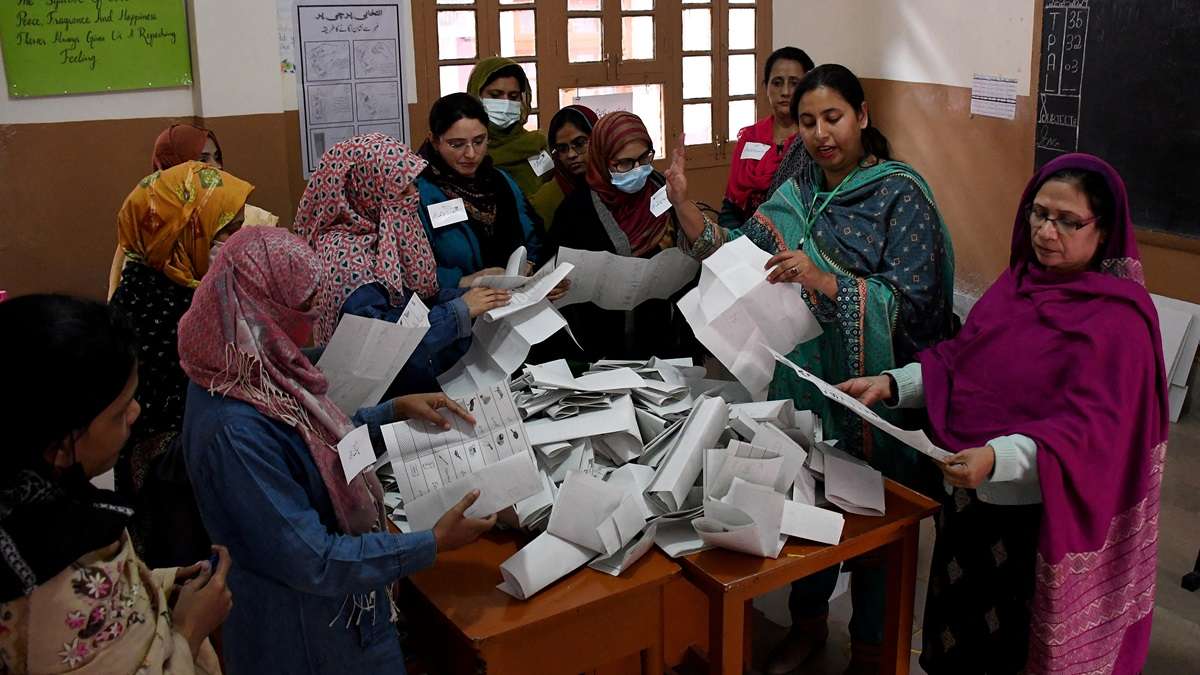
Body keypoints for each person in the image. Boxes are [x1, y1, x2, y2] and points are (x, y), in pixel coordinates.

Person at [665, 64, 955, 673]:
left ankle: (874, 649)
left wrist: (825, 280)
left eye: (834, 117)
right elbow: (739, 250)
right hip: (810, 388)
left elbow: (920, 306)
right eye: (808, 121)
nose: (822, 134)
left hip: (876, 396)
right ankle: (809, 626)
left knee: (878, 522)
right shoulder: (798, 193)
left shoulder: (900, 195)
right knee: (810, 506)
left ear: (863, 116)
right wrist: (683, 204)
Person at [837, 154, 1168, 675]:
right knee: (955, 636)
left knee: (1005, 651)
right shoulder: (1015, 288)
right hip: (967, 498)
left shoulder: (1119, 322)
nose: (1045, 231)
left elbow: (1092, 434)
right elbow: (960, 361)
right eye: (1038, 213)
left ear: (1102, 232)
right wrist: (892, 383)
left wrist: (999, 457)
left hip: (1034, 519)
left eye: (1067, 220)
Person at [179, 227, 497, 674]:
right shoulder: (234, 428)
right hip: (308, 637)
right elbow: (315, 560)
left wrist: (389, 415)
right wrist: (431, 543)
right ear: (260, 309)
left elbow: (311, 453)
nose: (313, 322)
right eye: (304, 308)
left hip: (342, 617)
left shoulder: (255, 366)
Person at [0, 294, 232, 674]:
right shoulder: (65, 574)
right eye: (119, 411)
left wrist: (158, 584)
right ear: (60, 443)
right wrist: (190, 629)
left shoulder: (37, 507)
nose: (137, 413)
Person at [109, 161, 253, 568]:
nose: (235, 240)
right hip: (170, 474)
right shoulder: (150, 304)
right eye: (224, 231)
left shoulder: (190, 286)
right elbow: (178, 401)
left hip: (201, 455)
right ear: (180, 231)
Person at [294, 133, 510, 394]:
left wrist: (486, 295)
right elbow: (382, 348)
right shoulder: (345, 259)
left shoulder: (377, 234)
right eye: (402, 189)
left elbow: (416, 299)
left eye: (413, 185)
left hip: (412, 381)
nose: (413, 196)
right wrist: (458, 311)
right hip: (382, 397)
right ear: (367, 191)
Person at [550, 111, 692, 360]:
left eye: (644, 158)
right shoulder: (575, 211)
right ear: (602, 159)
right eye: (624, 163)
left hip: (665, 335)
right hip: (603, 347)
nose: (638, 170)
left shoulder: (662, 189)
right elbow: (557, 278)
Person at [109, 125, 274, 298]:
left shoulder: (244, 217)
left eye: (217, 157)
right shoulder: (144, 235)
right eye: (203, 159)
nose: (216, 166)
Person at [415, 93, 549, 289]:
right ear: (435, 142)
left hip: (514, 297)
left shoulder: (501, 180)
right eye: (457, 144)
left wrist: (530, 264)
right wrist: (462, 281)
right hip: (457, 306)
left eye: (479, 141)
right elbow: (411, 268)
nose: (470, 154)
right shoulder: (419, 193)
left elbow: (533, 234)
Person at [719, 46, 814, 229]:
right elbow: (730, 205)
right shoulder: (750, 137)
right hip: (742, 237)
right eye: (777, 83)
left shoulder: (813, 141)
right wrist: (734, 242)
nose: (785, 91)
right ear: (766, 87)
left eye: (794, 83)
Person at [467, 57, 550, 197]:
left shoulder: (536, 146)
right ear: (476, 96)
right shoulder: (466, 152)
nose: (505, 103)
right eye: (495, 95)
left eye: (513, 96)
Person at [528, 105, 598, 229]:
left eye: (580, 143)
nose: (571, 154)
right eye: (562, 148)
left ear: (598, 139)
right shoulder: (547, 200)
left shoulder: (618, 183)